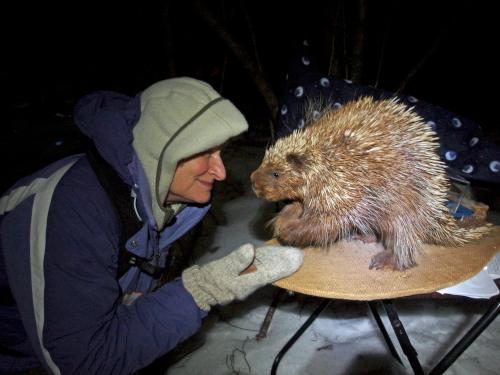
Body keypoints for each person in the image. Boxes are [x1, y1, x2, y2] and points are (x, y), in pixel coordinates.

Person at [0, 77, 304, 374]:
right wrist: (202, 290)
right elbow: (81, 361)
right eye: (205, 153)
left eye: (222, 152)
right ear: (163, 152)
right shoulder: (74, 212)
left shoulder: (158, 199)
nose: (221, 171)